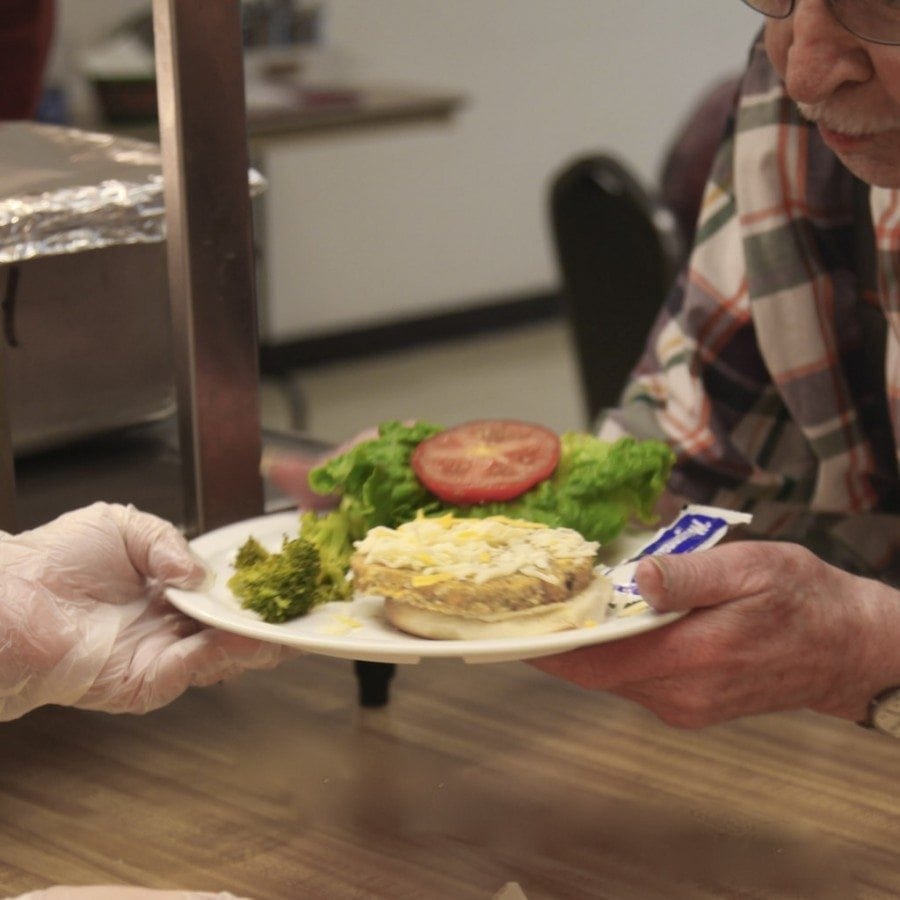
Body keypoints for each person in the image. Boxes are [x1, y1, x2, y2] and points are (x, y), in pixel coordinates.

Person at [272, 0, 900, 733]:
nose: (805, 69)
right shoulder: (788, 95)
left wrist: (870, 648)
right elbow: (710, 450)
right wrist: (491, 501)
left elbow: (859, 642)